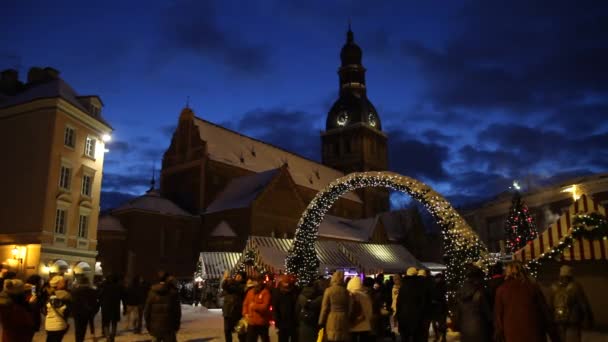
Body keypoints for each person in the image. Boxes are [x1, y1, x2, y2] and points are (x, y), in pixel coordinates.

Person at [495, 261, 558, 342]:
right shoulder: (532, 287)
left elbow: (498, 316)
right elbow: (544, 312)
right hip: (534, 332)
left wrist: (500, 335)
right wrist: (554, 335)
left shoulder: (501, 290)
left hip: (512, 334)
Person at [550, 265, 593, 342]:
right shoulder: (576, 287)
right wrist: (588, 318)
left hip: (558, 320)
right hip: (573, 321)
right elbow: (583, 304)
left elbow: (551, 305)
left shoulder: (554, 287)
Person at [454, 266, 492, 342]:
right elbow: (488, 314)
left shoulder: (460, 292)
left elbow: (457, 314)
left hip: (465, 329)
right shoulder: (480, 292)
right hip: (480, 329)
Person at [144, 272, 182, 342]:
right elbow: (177, 312)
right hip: (169, 327)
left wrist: (148, 325)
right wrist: (177, 325)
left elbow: (147, 311)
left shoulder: (152, 292)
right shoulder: (173, 293)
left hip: (155, 327)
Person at [396, 267, 429, 342]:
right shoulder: (420, 286)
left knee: (405, 338)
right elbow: (423, 302)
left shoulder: (403, 286)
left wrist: (398, 316)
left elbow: (399, 303)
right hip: (418, 318)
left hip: (404, 317)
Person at [319, 270, 350, 342]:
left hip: (332, 317)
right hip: (344, 318)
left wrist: (321, 321)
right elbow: (349, 306)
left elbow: (324, 307)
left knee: (332, 337)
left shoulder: (329, 290)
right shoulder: (346, 291)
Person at [242, 276, 271, 342]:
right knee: (250, 340)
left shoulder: (265, 292)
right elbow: (245, 303)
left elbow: (265, 306)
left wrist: (254, 306)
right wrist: (245, 313)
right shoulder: (250, 292)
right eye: (254, 282)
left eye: (256, 282)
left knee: (265, 339)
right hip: (251, 322)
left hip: (262, 322)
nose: (255, 284)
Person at [296, 278, 325, 342]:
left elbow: (297, 310)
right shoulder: (320, 298)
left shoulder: (301, 297)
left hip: (303, 324)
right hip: (314, 325)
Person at [44, 275, 72, 342]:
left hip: (48, 324)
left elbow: (44, 310)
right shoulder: (65, 295)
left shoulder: (49, 294)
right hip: (59, 324)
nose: (65, 283)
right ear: (58, 284)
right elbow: (68, 311)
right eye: (63, 282)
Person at [71, 277, 99, 342]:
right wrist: (94, 311)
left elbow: (72, 302)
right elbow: (95, 303)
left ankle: (78, 340)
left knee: (78, 330)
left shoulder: (74, 291)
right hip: (87, 313)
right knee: (83, 329)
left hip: (77, 313)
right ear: (88, 282)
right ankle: (81, 339)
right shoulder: (92, 291)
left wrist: (73, 312)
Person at [273, 274, 298, 342]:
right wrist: (277, 321)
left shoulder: (294, 290)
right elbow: (275, 307)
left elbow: (296, 305)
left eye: (288, 283)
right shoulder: (277, 291)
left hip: (293, 321)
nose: (286, 285)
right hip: (282, 322)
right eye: (285, 283)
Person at [347, 277, 373, 342]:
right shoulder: (366, 296)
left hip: (352, 326)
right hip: (365, 326)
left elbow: (348, 310)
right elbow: (370, 312)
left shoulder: (349, 296)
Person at [222, 271, 246, 342]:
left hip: (237, 312)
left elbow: (238, 289)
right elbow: (224, 286)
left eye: (240, 276)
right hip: (228, 311)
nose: (237, 277)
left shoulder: (243, 286)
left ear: (243, 278)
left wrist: (231, 281)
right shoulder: (230, 285)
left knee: (240, 332)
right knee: (227, 331)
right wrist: (226, 279)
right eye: (237, 275)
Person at [430, 273, 447, 342]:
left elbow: (441, 295)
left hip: (441, 307)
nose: (437, 279)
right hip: (435, 307)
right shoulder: (434, 285)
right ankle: (438, 336)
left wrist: (435, 300)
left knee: (441, 324)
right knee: (435, 323)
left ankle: (442, 337)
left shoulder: (442, 285)